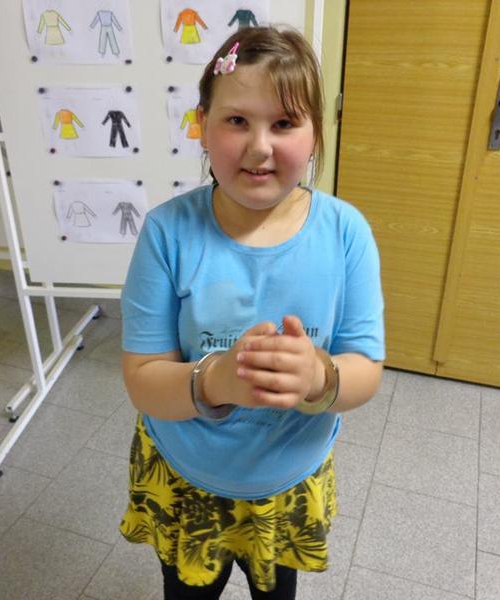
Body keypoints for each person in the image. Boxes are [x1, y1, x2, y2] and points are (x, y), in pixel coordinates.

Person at [119, 26, 384, 600]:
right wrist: (216, 379)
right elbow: (142, 380)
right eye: (237, 120)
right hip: (186, 474)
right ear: (203, 125)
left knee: (277, 592)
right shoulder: (167, 233)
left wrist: (320, 376)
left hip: (289, 476)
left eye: (284, 123)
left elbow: (365, 370)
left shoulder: (346, 234)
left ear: (315, 133)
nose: (260, 147)